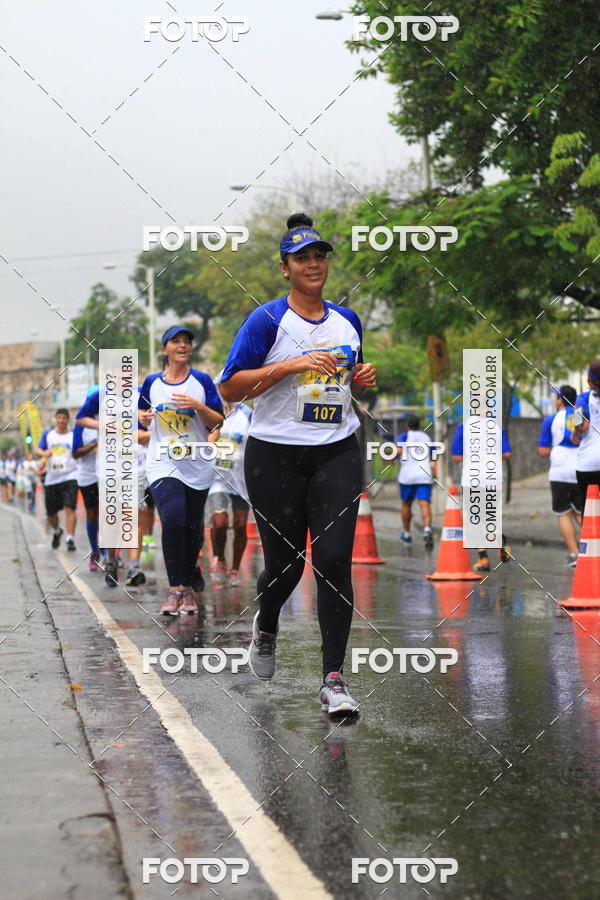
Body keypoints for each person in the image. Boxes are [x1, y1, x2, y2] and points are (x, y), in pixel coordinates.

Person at [219, 213, 377, 715]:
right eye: (302, 258)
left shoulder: (346, 321)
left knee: (332, 560)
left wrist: (362, 378)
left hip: (336, 450)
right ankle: (266, 627)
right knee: (285, 566)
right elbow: (229, 387)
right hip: (274, 454)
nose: (313, 264)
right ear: (285, 268)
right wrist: (291, 364)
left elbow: (344, 381)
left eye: (319, 256)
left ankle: (333, 678)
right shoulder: (267, 320)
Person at [138, 326, 224, 615]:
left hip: (197, 464)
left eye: (187, 341)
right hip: (163, 462)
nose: (183, 345)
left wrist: (197, 406)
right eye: (176, 341)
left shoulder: (201, 381)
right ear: (165, 349)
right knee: (173, 519)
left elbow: (217, 422)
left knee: (193, 528)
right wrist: (143, 416)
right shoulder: (151, 383)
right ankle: (175, 590)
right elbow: (141, 421)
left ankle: (187, 585)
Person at [75, 387, 149, 588]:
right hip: (108, 467)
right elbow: (80, 418)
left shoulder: (141, 393)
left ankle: (134, 565)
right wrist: (104, 425)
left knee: (133, 514)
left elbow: (151, 421)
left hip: (134, 464)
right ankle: (111, 561)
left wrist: (144, 430)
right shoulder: (99, 396)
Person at [451, 420, 512, 572]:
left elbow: (456, 457)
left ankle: (483, 558)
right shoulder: (497, 426)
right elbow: (507, 453)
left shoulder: (463, 427)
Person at [207, 392, 252, 585]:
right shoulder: (210, 414)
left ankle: (235, 569)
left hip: (241, 480)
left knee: (241, 525)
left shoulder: (247, 415)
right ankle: (220, 559)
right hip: (217, 478)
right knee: (220, 523)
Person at [538, 385, 582, 567]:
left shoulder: (550, 420)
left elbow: (543, 451)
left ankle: (574, 555)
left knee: (563, 513)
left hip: (559, 471)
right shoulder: (581, 415)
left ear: (559, 399)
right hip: (581, 467)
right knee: (583, 513)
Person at [37, 409, 78, 550]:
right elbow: (38, 450)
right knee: (51, 513)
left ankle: (70, 539)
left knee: (70, 507)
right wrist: (44, 454)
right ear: (55, 419)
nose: (61, 420)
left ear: (68, 419)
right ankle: (57, 531)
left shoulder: (73, 435)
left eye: (64, 418)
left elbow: (79, 451)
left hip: (70, 475)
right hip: (52, 478)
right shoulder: (48, 435)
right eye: (59, 418)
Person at [396, 414, 435, 548]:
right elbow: (434, 456)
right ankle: (427, 529)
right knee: (424, 503)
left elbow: (399, 450)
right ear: (419, 425)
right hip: (424, 474)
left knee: (406, 504)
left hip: (407, 476)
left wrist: (389, 458)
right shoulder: (426, 437)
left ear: (407, 425)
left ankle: (406, 534)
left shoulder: (403, 437)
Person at [72, 411, 101, 571]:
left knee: (107, 513)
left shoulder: (111, 418)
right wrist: (94, 444)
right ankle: (95, 551)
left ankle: (110, 553)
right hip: (87, 476)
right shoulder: (81, 424)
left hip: (106, 474)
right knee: (91, 513)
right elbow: (75, 453)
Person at [571, 360, 600, 515]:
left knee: (588, 511)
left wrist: (575, 435)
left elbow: (580, 425)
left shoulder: (583, 398)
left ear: (589, 379)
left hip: (588, 464)